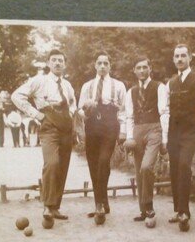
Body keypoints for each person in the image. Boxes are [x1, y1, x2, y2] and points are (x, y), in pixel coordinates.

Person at [11, 49, 77, 224]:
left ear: (65, 64)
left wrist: (71, 113)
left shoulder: (67, 85)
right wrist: (36, 114)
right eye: (54, 60)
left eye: (60, 60)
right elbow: (16, 96)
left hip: (66, 126)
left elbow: (73, 103)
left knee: (62, 166)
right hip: (48, 126)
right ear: (48, 63)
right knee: (52, 163)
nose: (57, 63)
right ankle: (47, 205)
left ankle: (55, 207)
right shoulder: (39, 81)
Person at [166, 44, 195, 231]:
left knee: (184, 165)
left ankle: (184, 212)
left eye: (183, 55)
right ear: (173, 59)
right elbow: (165, 110)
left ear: (190, 58)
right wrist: (164, 135)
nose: (180, 59)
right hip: (173, 131)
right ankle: (177, 210)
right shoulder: (171, 82)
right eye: (177, 56)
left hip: (190, 131)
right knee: (174, 168)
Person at [78, 51, 127, 222]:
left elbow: (124, 110)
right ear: (95, 65)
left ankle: (99, 204)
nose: (102, 66)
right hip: (92, 125)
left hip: (110, 125)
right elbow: (79, 109)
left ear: (110, 66)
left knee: (104, 161)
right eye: (99, 63)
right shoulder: (87, 86)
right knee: (93, 163)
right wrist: (86, 111)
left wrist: (123, 131)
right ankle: (101, 201)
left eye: (106, 63)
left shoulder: (118, 85)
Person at [123, 56, 169, 225]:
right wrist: (129, 136)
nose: (142, 70)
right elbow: (129, 116)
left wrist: (164, 139)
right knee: (139, 171)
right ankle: (143, 211)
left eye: (144, 67)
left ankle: (149, 206)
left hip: (154, 129)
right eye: (138, 68)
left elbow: (164, 113)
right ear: (134, 71)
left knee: (146, 167)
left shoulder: (160, 87)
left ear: (150, 68)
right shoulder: (131, 92)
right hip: (137, 131)